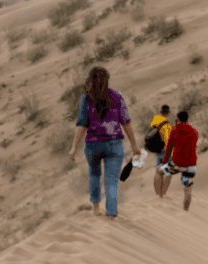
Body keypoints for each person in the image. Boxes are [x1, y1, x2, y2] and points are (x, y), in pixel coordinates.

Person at [68, 66, 141, 219]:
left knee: (94, 175)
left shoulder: (86, 98)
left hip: (93, 145)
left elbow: (82, 124)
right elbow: (126, 123)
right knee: (111, 180)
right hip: (114, 145)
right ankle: (111, 214)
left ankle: (95, 209)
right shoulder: (117, 96)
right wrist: (134, 146)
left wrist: (74, 147)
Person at [157, 110, 199, 211]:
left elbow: (169, 149)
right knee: (188, 190)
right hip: (190, 165)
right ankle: (186, 211)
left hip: (176, 164)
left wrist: (164, 163)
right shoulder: (194, 132)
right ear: (187, 119)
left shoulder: (175, 130)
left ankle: (160, 196)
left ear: (178, 119)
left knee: (159, 170)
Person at [148, 104, 172, 195]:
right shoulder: (167, 125)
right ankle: (162, 194)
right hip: (165, 151)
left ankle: (157, 193)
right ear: (168, 113)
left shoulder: (155, 120)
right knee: (168, 174)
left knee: (158, 172)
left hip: (157, 150)